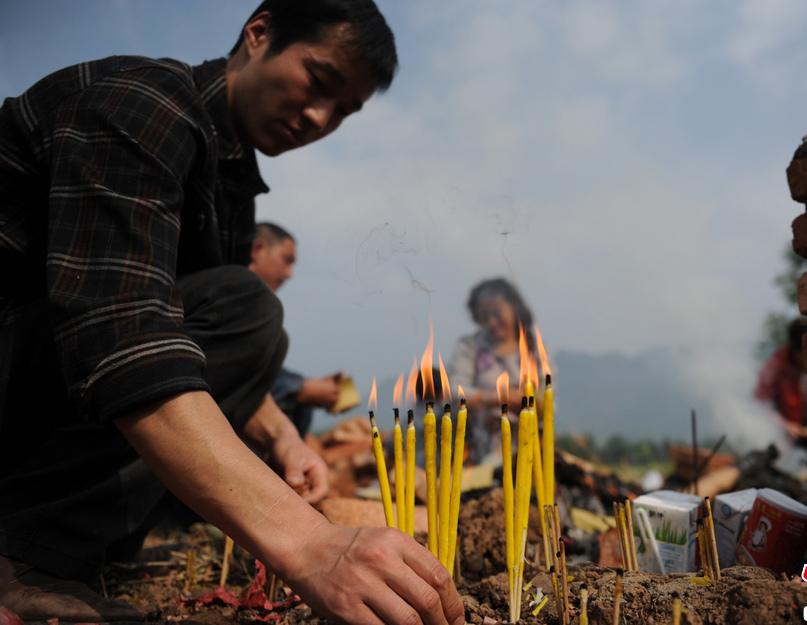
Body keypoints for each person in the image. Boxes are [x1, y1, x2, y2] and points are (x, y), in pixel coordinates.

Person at [0, 2, 464, 624]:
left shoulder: (231, 180)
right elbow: (122, 336)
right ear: (260, 32)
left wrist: (283, 436)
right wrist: (308, 544)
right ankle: (24, 553)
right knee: (249, 308)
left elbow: (190, 333)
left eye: (345, 111)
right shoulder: (144, 104)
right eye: (319, 82)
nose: (320, 118)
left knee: (251, 315)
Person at [249, 221, 346, 437]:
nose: (290, 273)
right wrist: (302, 391)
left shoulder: (256, 310)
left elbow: (267, 372)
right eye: (287, 261)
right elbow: (236, 380)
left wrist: (310, 386)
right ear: (258, 250)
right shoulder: (232, 302)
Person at [449, 278, 540, 465]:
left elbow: (549, 402)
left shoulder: (535, 350)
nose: (491, 322)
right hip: (475, 446)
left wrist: (529, 402)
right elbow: (454, 391)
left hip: (524, 448)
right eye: (483, 317)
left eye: (496, 313)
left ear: (514, 308)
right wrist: (497, 397)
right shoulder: (470, 347)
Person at [754, 318, 807, 447]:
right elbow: (760, 404)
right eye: (805, 353)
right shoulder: (776, 366)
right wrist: (785, 425)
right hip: (789, 441)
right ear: (794, 349)